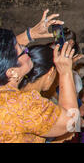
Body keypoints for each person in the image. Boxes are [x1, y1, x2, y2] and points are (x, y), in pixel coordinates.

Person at [0, 10, 79, 143]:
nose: (27, 50)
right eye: (23, 51)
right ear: (12, 72)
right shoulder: (23, 105)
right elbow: (71, 121)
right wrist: (65, 72)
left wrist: (29, 35)